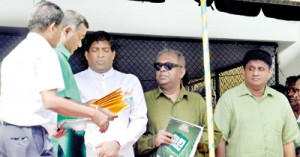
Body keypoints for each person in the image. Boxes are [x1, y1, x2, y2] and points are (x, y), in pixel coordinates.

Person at [0, 2, 116, 156]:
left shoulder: (14, 55)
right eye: (61, 29)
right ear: (53, 27)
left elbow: (29, 102)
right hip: (29, 136)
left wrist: (50, 125)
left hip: (11, 134)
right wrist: (94, 113)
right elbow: (51, 101)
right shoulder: (46, 52)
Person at [136, 49, 222, 157]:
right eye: (158, 66)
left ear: (181, 72)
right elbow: (131, 141)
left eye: (168, 66)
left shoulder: (197, 101)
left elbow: (215, 135)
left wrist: (194, 138)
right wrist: (153, 141)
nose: (162, 69)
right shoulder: (144, 100)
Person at [74, 31, 148, 157]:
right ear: (87, 55)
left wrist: (119, 143)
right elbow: (70, 118)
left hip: (122, 151)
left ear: (113, 54)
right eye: (95, 50)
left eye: (105, 50)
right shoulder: (75, 81)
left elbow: (140, 119)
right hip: (89, 152)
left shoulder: (129, 81)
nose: (100, 55)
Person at [214, 49, 299, 157]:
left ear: (269, 73)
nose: (255, 73)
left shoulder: (281, 100)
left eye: (261, 69)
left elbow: (287, 142)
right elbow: (220, 140)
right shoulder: (228, 99)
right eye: (251, 69)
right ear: (243, 71)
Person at [53, 10, 90, 157]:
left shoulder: (58, 58)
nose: (80, 44)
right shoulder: (56, 58)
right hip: (59, 140)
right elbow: (58, 103)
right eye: (80, 37)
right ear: (67, 30)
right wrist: (92, 112)